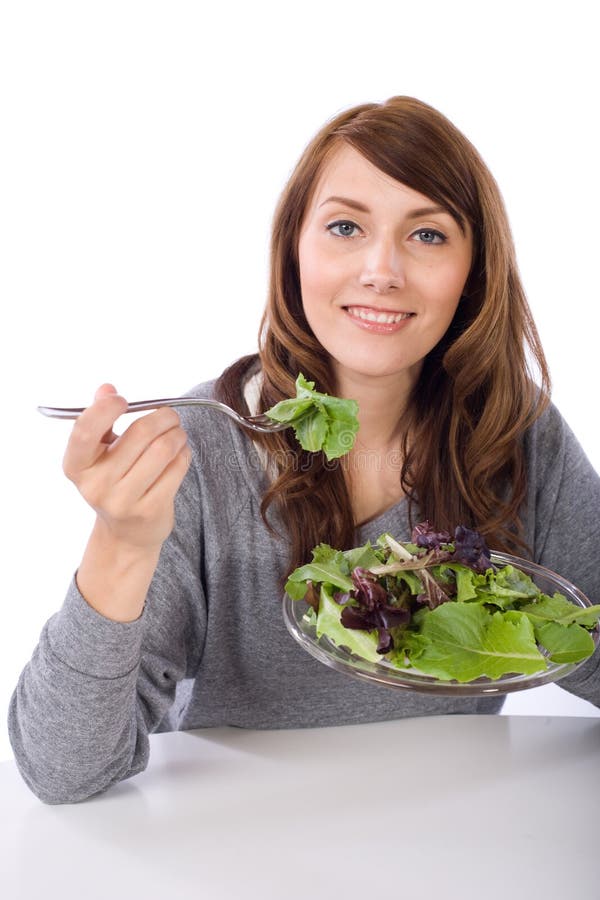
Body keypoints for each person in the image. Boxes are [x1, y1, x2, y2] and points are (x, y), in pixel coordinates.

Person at [9, 96, 600, 804]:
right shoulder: (206, 450)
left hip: (456, 835)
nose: (382, 270)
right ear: (295, 249)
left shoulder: (515, 437)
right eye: (345, 226)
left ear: (474, 269)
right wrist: (122, 543)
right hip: (238, 842)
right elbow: (63, 769)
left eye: (429, 235)